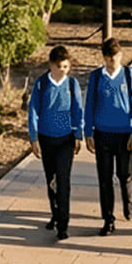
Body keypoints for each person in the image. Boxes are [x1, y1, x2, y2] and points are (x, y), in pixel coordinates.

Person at [84, 37, 132, 235]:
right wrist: (88, 132)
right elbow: (89, 105)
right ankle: (108, 219)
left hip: (124, 134)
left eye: (115, 57)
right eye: (108, 59)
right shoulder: (96, 77)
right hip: (102, 135)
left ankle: (128, 202)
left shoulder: (129, 75)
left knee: (125, 175)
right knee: (105, 178)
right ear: (104, 58)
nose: (111, 62)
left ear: (121, 55)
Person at [28, 45, 83, 240]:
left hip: (66, 139)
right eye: (60, 66)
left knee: (63, 180)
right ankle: (55, 213)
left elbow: (77, 110)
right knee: (51, 181)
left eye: (66, 67)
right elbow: (33, 111)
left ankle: (63, 224)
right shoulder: (41, 84)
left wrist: (78, 135)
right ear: (51, 65)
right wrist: (33, 138)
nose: (63, 71)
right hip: (46, 138)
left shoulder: (72, 84)